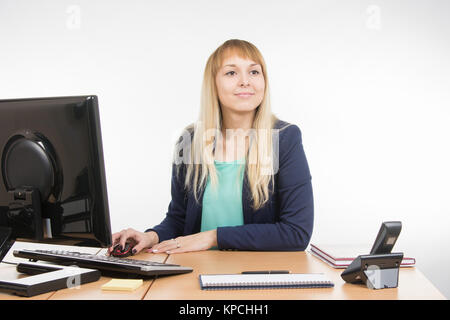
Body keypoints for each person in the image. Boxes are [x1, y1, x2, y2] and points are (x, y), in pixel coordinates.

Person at [108, 39, 314, 255]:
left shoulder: (284, 139)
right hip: (196, 272)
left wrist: (213, 237)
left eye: (254, 72)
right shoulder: (189, 141)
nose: (245, 81)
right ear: (213, 84)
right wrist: (150, 236)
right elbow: (179, 219)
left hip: (258, 275)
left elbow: (296, 233)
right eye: (231, 73)